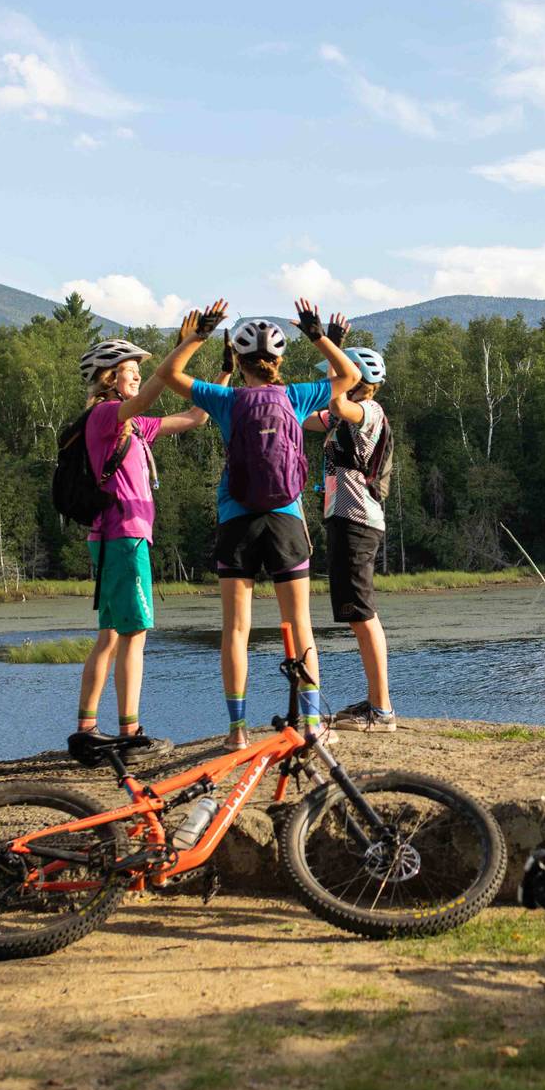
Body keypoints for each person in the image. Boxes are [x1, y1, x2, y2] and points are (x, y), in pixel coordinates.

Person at [175, 298, 358, 749]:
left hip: (237, 520)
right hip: (285, 519)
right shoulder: (296, 395)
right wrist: (319, 336)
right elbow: (350, 379)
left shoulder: (226, 399)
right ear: (279, 360)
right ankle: (312, 725)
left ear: (238, 362)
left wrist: (193, 339)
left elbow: (167, 377)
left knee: (236, 628)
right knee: (299, 624)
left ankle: (237, 732)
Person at [72, 304, 223, 756]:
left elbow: (196, 417)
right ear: (108, 377)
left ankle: (86, 730)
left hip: (117, 538)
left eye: (139, 370)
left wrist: (224, 376)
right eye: (130, 370)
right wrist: (186, 344)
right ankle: (129, 734)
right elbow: (150, 397)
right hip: (122, 537)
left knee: (112, 635)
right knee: (134, 634)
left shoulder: (133, 425)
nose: (137, 376)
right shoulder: (106, 416)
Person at [301, 313, 395, 732]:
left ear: (356, 379)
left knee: (362, 612)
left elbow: (336, 401)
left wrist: (325, 342)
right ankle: (375, 702)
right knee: (356, 611)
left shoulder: (366, 411)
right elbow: (305, 417)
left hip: (358, 519)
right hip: (344, 518)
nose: (333, 383)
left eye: (339, 376)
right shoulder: (341, 417)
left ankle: (382, 710)